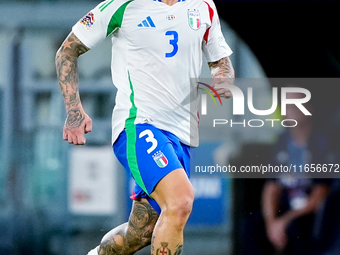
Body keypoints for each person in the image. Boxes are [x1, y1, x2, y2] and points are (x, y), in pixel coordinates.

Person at [55, 0, 234, 254]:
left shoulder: (204, 6)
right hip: (138, 124)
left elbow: (221, 61)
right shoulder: (122, 6)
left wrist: (222, 79)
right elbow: (67, 50)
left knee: (142, 231)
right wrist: (74, 111)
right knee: (180, 201)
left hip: (182, 135)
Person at [242, 91, 332, 255]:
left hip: (310, 215)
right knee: (253, 225)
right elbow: (272, 187)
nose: (289, 109)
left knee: (296, 227)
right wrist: (271, 223)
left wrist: (286, 220)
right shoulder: (282, 142)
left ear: (309, 107)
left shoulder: (322, 143)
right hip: (285, 211)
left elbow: (321, 192)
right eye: (286, 105)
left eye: (295, 104)